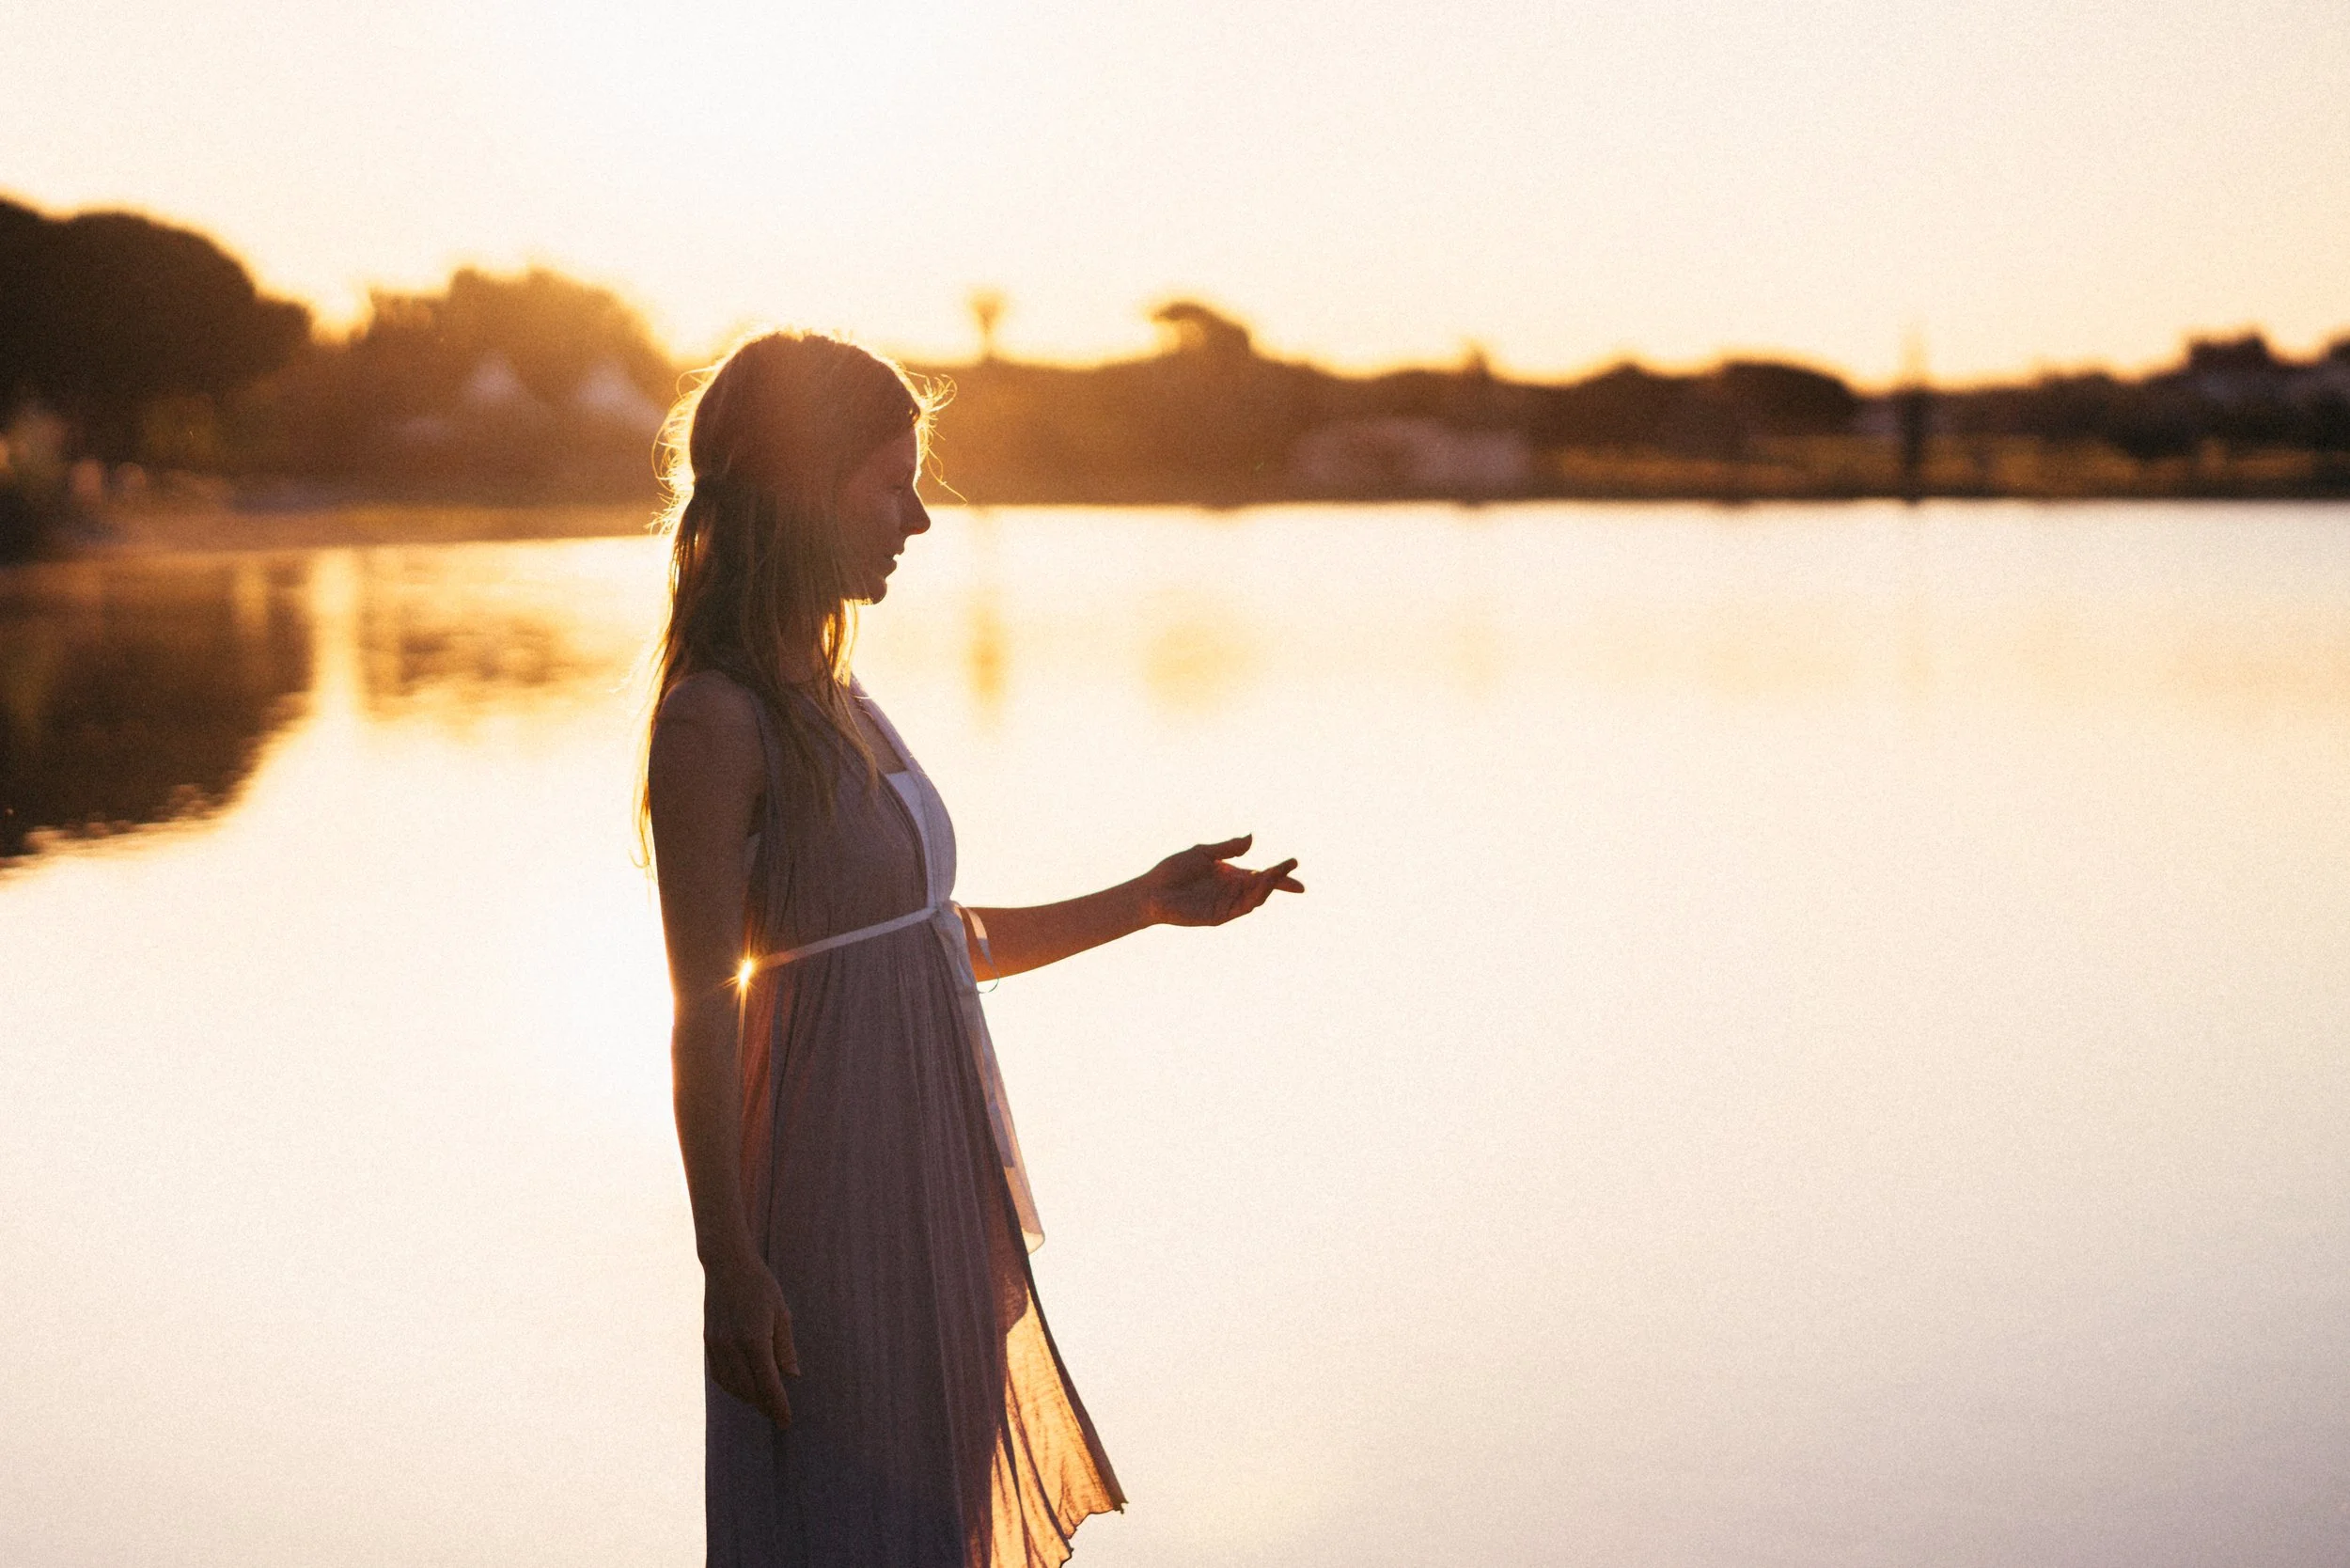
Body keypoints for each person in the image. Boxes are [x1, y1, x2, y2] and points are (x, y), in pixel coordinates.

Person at [642, 330, 1303, 1568]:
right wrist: (729, 1260)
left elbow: (926, 944)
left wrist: (1144, 902)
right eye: (890, 486)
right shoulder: (715, 721)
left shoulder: (845, 702)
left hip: (933, 1181)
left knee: (933, 1523)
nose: (918, 521)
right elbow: (702, 1013)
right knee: (846, 1516)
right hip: (826, 1200)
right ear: (801, 488)